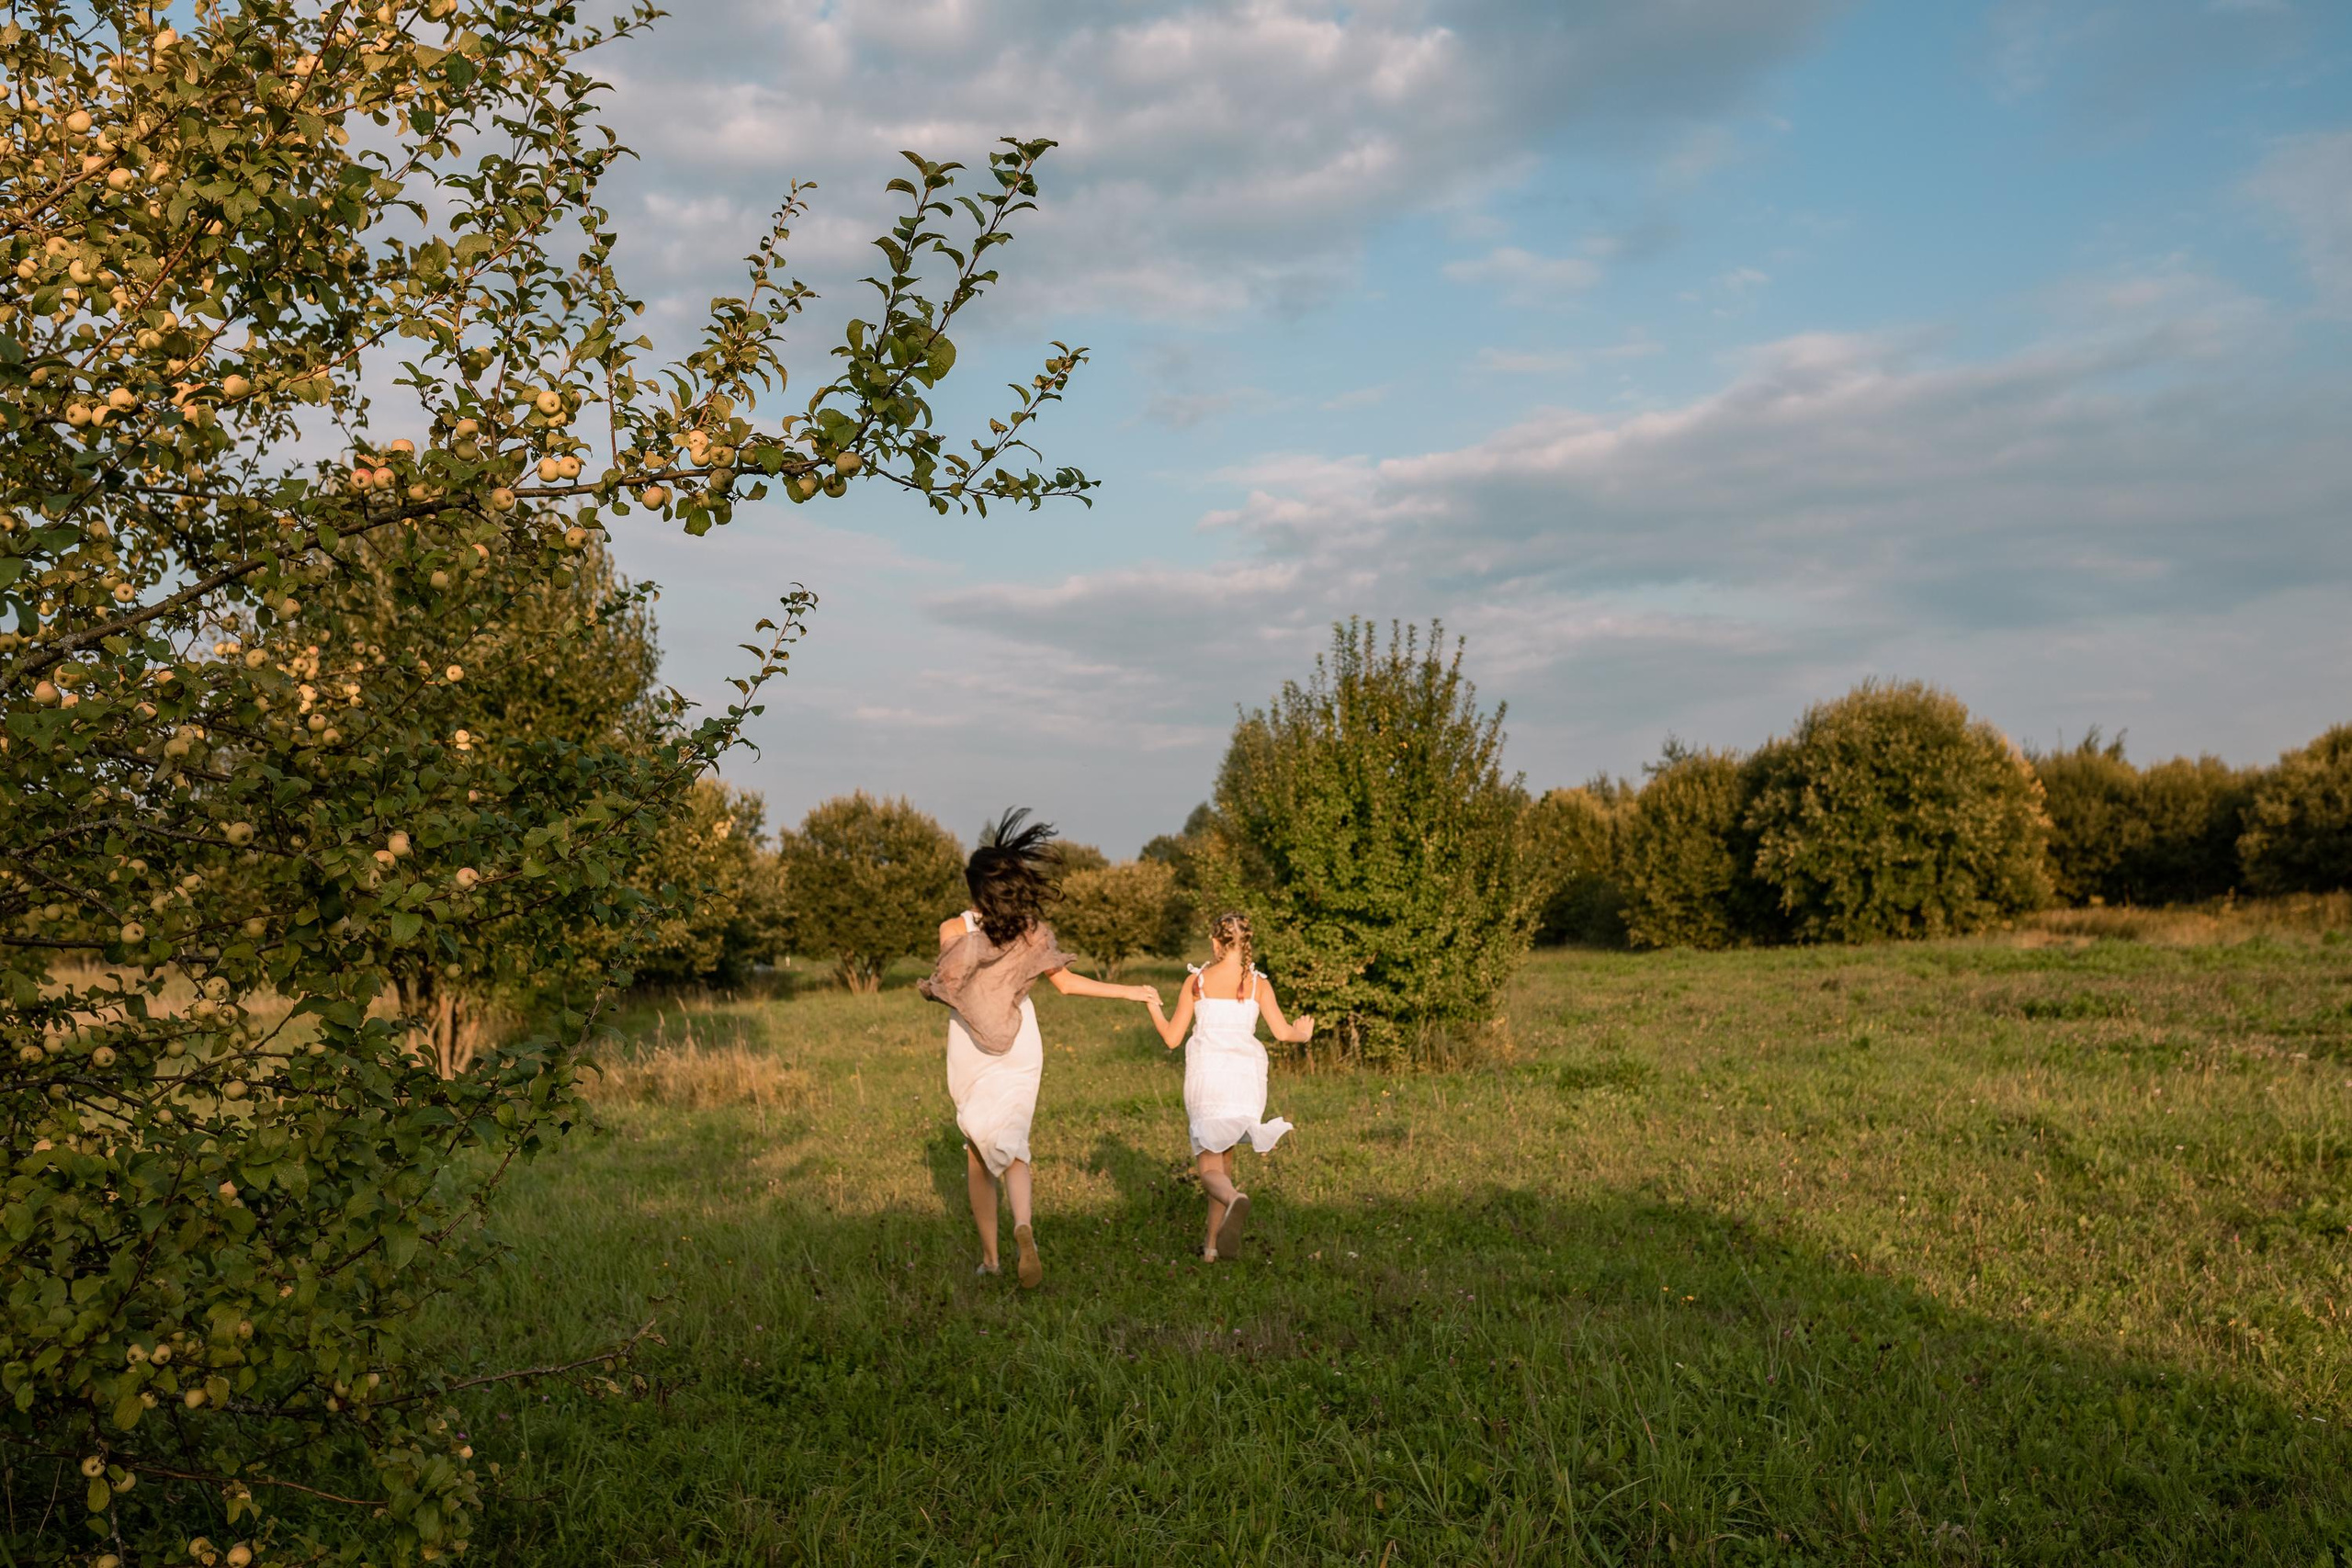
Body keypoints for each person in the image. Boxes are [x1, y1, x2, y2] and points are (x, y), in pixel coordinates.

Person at [919, 808, 1159, 1289]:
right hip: (1022, 1044)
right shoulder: (1031, 932)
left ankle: (990, 1259)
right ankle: (1022, 1224)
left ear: (976, 891)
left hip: (972, 1046)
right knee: (1015, 1143)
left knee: (976, 1150)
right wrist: (1131, 992)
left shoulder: (954, 930)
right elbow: (1066, 984)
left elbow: (949, 980)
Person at [1145, 909, 1312, 1261]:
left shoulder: (1198, 982)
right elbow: (1283, 1032)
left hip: (1209, 1079)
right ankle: (1211, 1247)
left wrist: (1152, 1007)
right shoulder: (1257, 984)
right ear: (1247, 942)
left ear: (1215, 942)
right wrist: (1304, 1032)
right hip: (1245, 1081)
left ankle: (1234, 1200)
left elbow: (1173, 1039)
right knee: (1226, 1163)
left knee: (1209, 1170)